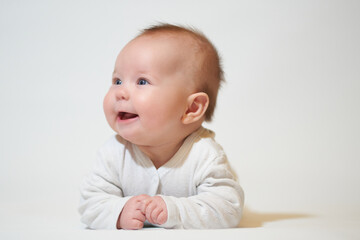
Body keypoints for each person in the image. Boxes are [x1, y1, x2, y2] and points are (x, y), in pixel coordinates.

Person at [79, 23, 244, 230]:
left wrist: (174, 210)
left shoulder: (204, 154)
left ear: (191, 108)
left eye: (142, 82)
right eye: (117, 80)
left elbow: (228, 207)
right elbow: (89, 205)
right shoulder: (114, 152)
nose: (120, 92)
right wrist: (120, 211)